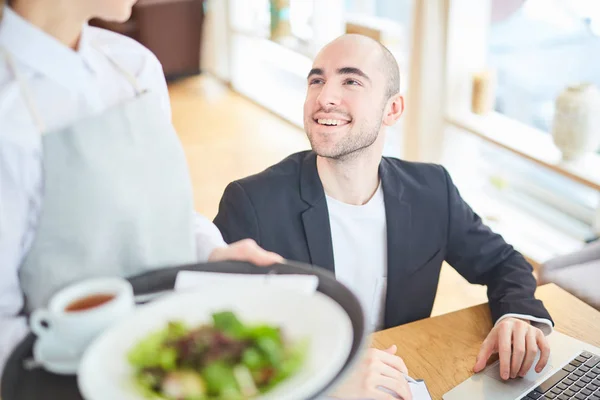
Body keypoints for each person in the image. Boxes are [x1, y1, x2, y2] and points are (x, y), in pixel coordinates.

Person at [214, 34, 553, 400]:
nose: (325, 97)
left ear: (392, 109)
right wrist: (325, 378)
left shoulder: (432, 190)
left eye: (351, 81)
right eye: (317, 80)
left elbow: (503, 262)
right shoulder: (251, 203)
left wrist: (517, 316)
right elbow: (212, 331)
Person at [0, 0, 282, 378]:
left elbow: (162, 208)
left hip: (178, 354)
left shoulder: (134, 67)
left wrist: (214, 253)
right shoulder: (9, 115)